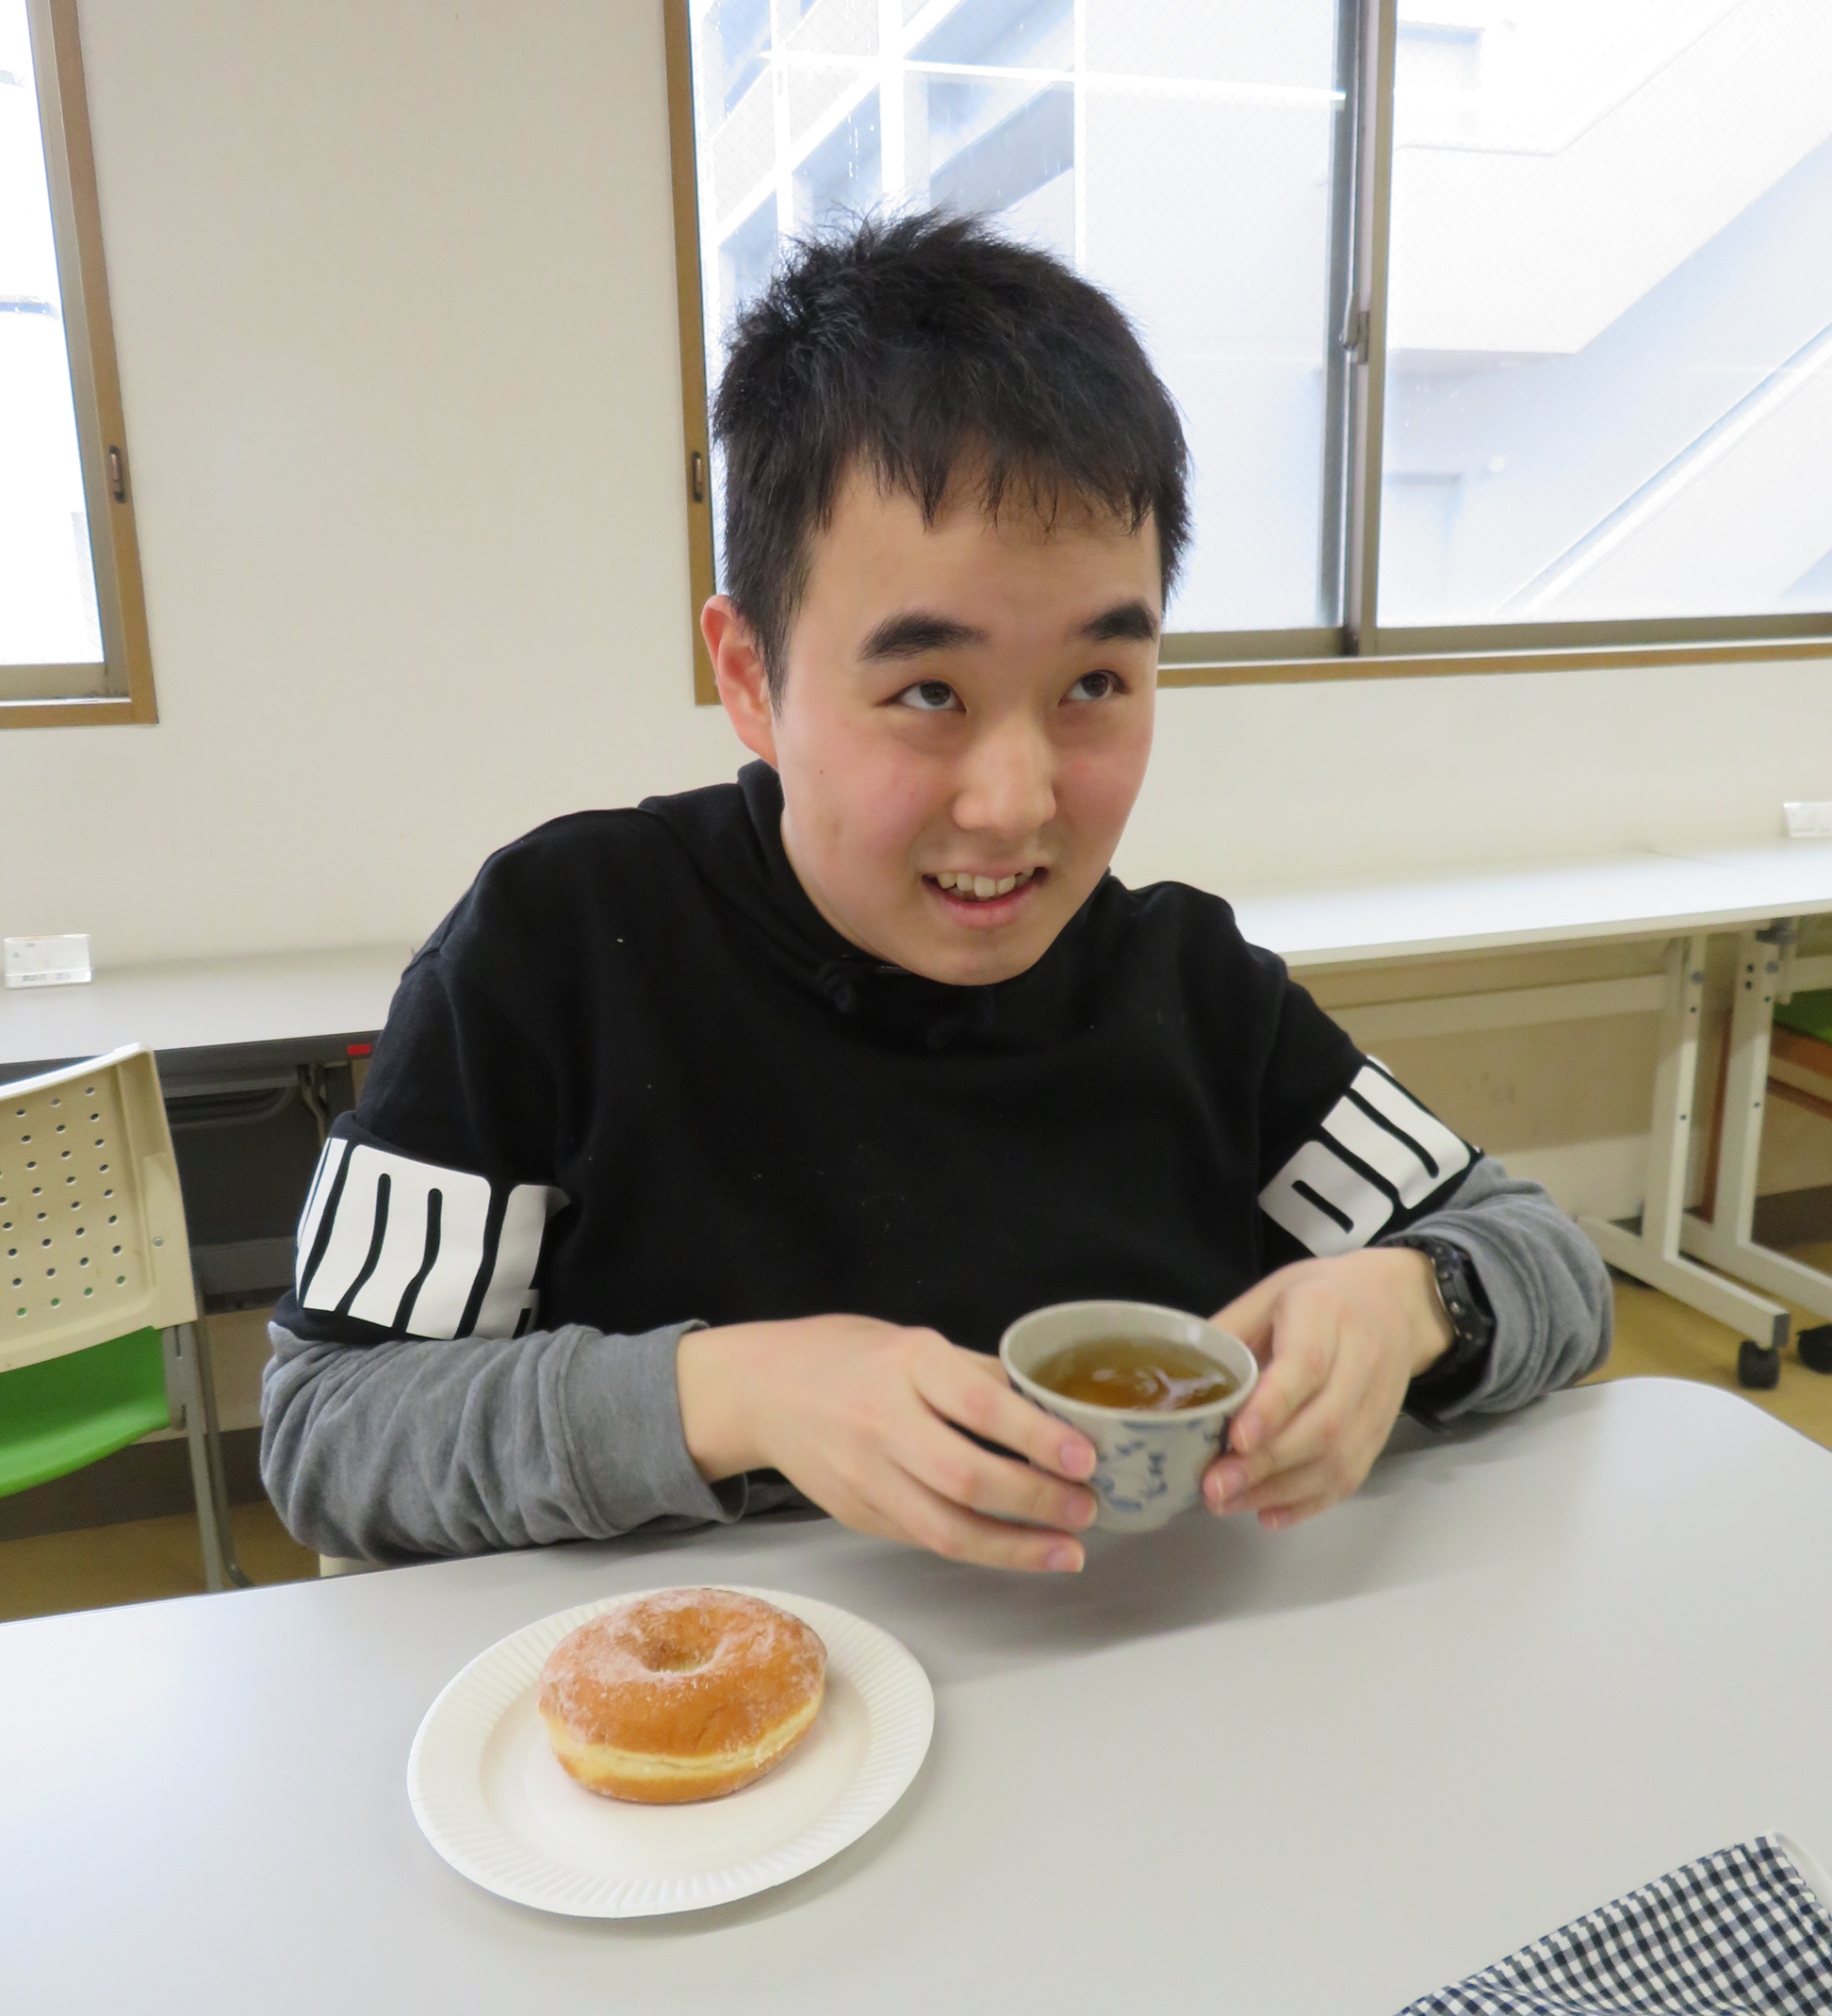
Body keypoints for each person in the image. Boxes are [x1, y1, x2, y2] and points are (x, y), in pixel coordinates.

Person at [262, 212, 1610, 1569]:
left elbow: (1537, 1253)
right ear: (752, 678)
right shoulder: (555, 950)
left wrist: (1409, 1304)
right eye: (927, 692)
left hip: (1133, 1666)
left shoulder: (1194, 994)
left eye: (1095, 682)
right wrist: (737, 1393)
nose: (1015, 802)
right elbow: (330, 1423)